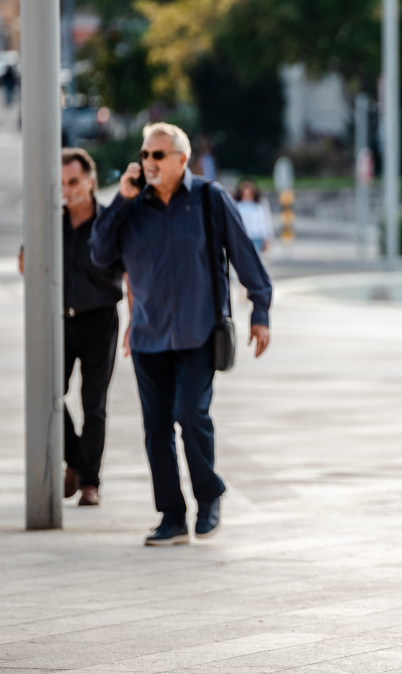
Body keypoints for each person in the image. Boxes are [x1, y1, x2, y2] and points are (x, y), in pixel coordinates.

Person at [90, 122, 273, 546]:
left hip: (198, 332)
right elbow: (99, 254)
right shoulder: (130, 206)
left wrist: (260, 312)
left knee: (191, 414)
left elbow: (246, 257)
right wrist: (120, 198)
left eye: (157, 155)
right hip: (148, 336)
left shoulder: (209, 199)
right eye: (145, 155)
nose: (148, 163)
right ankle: (171, 516)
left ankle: (209, 494)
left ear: (181, 160)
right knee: (156, 428)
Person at [18, 148, 125, 507]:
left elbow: (132, 271)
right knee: (48, 393)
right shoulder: (51, 219)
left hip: (100, 319)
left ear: (91, 181)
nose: (68, 189)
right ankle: (77, 462)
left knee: (94, 403)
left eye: (74, 182)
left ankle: (89, 482)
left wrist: (137, 321)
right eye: (62, 183)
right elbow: (25, 265)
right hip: (59, 319)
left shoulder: (109, 221)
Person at [234, 179, 275, 256]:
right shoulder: (236, 205)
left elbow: (266, 222)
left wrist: (268, 238)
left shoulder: (259, 205)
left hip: (257, 236)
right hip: (242, 237)